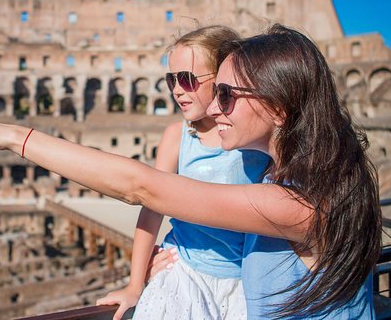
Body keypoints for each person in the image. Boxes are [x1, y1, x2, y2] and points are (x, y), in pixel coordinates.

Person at [0, 24, 381, 319]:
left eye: (226, 94)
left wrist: (7, 136)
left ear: (279, 107)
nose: (213, 107)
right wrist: (173, 253)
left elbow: (140, 186)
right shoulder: (304, 180)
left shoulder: (300, 205)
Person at [96, 25, 270, 320]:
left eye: (187, 79)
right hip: (186, 269)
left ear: (222, 79)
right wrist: (135, 285)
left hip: (245, 278)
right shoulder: (177, 138)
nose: (177, 89)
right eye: (171, 79)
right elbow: (151, 209)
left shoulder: (253, 139)